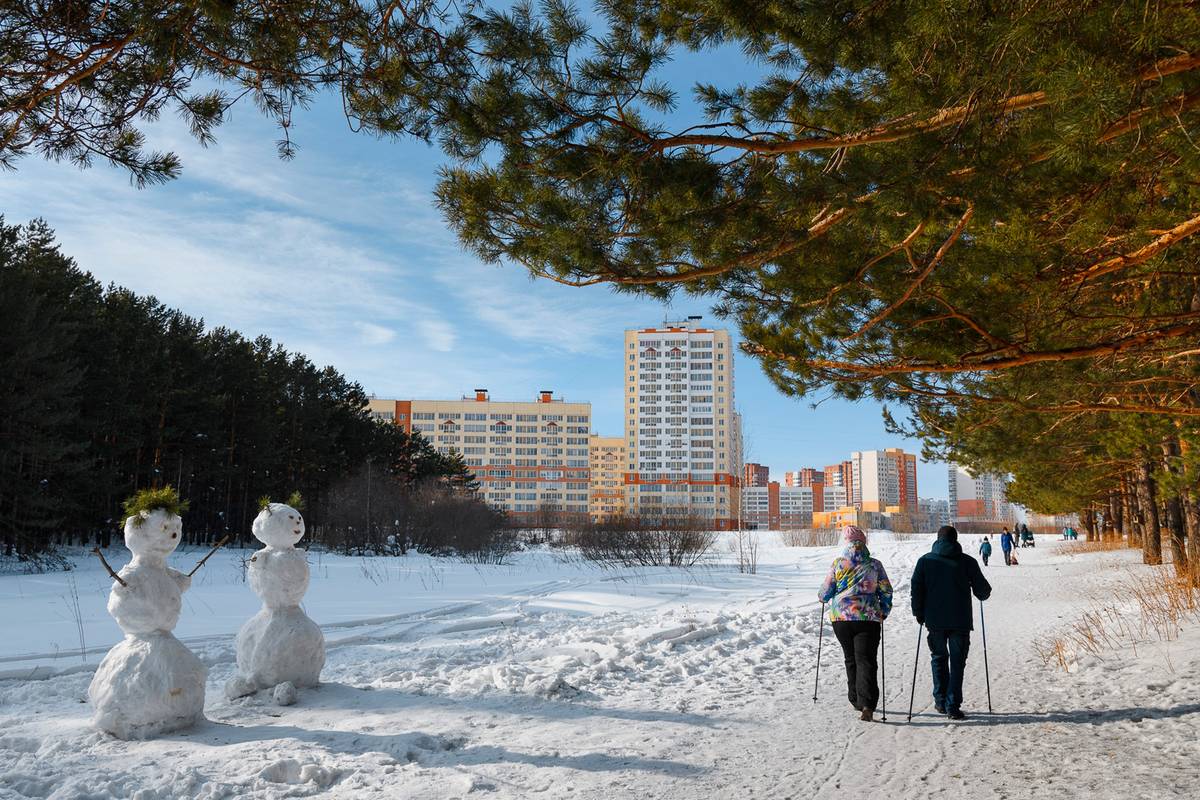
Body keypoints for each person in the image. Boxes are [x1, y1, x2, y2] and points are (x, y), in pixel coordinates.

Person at [911, 525, 992, 720]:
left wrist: (918, 613)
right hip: (960, 621)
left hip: (934, 621)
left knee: (938, 658)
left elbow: (916, 589)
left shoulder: (925, 561)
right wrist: (978, 591)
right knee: (957, 663)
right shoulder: (967, 562)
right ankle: (952, 706)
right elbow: (983, 591)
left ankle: (940, 701)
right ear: (955, 540)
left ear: (938, 539)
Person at [817, 525, 894, 723]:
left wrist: (822, 597)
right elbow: (886, 591)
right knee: (866, 659)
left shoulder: (839, 564)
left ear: (847, 543)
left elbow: (825, 592)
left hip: (841, 619)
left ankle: (855, 699)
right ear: (864, 542)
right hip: (868, 618)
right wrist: (884, 611)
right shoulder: (875, 565)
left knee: (850, 658)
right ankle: (867, 704)